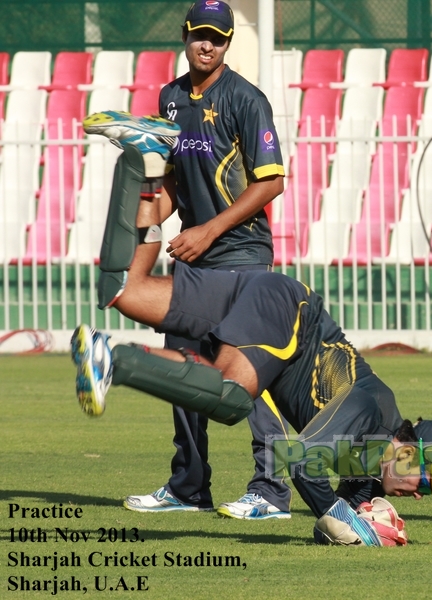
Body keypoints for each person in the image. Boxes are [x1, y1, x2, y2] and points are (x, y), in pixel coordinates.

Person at [70, 129, 432, 546]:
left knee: (124, 292)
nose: (420, 493)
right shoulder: (370, 412)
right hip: (285, 313)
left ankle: (146, 170)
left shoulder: (371, 456)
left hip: (267, 300)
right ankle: (113, 357)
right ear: (407, 451)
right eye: (425, 479)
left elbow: (346, 499)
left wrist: (366, 517)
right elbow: (301, 462)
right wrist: (351, 524)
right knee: (230, 396)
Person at [120, 0, 291, 520]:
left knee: (250, 375)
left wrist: (208, 229)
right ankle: (189, 487)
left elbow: (272, 181)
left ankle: (270, 492)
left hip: (242, 257)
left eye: (217, 37)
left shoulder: (246, 98)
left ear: (228, 41)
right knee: (185, 374)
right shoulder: (170, 97)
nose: (207, 44)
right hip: (193, 259)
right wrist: (147, 219)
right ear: (186, 34)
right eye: (200, 34)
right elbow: (172, 181)